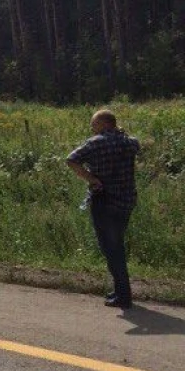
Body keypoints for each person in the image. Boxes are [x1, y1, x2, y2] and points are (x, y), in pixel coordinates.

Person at [66, 110, 140, 309]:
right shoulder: (131, 142)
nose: (92, 128)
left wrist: (91, 178)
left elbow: (71, 159)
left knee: (111, 248)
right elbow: (133, 144)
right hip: (126, 200)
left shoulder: (95, 143)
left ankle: (124, 296)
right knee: (116, 245)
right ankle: (119, 290)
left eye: (94, 124)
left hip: (104, 200)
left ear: (103, 124)